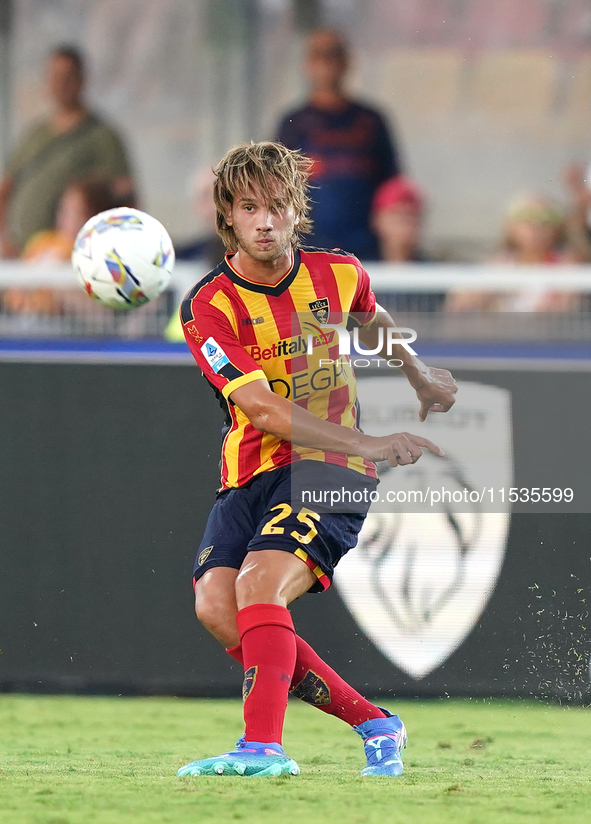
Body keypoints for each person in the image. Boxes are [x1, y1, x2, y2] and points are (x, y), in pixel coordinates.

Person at [177, 141, 457, 778]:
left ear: (295, 210)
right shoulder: (207, 308)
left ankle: (262, 749)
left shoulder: (338, 272)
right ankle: (374, 723)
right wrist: (375, 442)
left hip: (333, 468)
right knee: (219, 609)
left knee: (257, 587)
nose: (266, 221)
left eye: (278, 206)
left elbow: (371, 316)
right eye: (250, 207)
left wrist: (418, 376)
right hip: (251, 470)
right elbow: (265, 412)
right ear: (228, 215)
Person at [276, 29, 401, 260]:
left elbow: (393, 189)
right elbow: (275, 190)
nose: (326, 63)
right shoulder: (293, 124)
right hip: (307, 251)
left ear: (347, 62)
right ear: (307, 64)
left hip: (366, 251)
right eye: (318, 55)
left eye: (333, 55)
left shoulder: (371, 121)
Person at [0, 46, 135, 257]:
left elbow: (126, 194)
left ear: (81, 80)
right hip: (24, 253)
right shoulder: (36, 133)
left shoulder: (101, 135)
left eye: (67, 77)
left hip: (73, 254)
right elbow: (7, 186)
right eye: (54, 77)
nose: (60, 85)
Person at [2, 178, 120, 317]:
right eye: (64, 210)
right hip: (24, 319)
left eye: (77, 213)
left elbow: (101, 315)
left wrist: (59, 282)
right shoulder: (42, 242)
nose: (66, 218)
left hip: (67, 327)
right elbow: (16, 285)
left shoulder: (104, 256)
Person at [445, 194, 581, 312]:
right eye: (526, 216)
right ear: (510, 226)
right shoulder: (498, 264)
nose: (535, 226)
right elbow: (459, 305)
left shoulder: (566, 268)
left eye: (545, 218)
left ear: (558, 228)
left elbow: (565, 312)